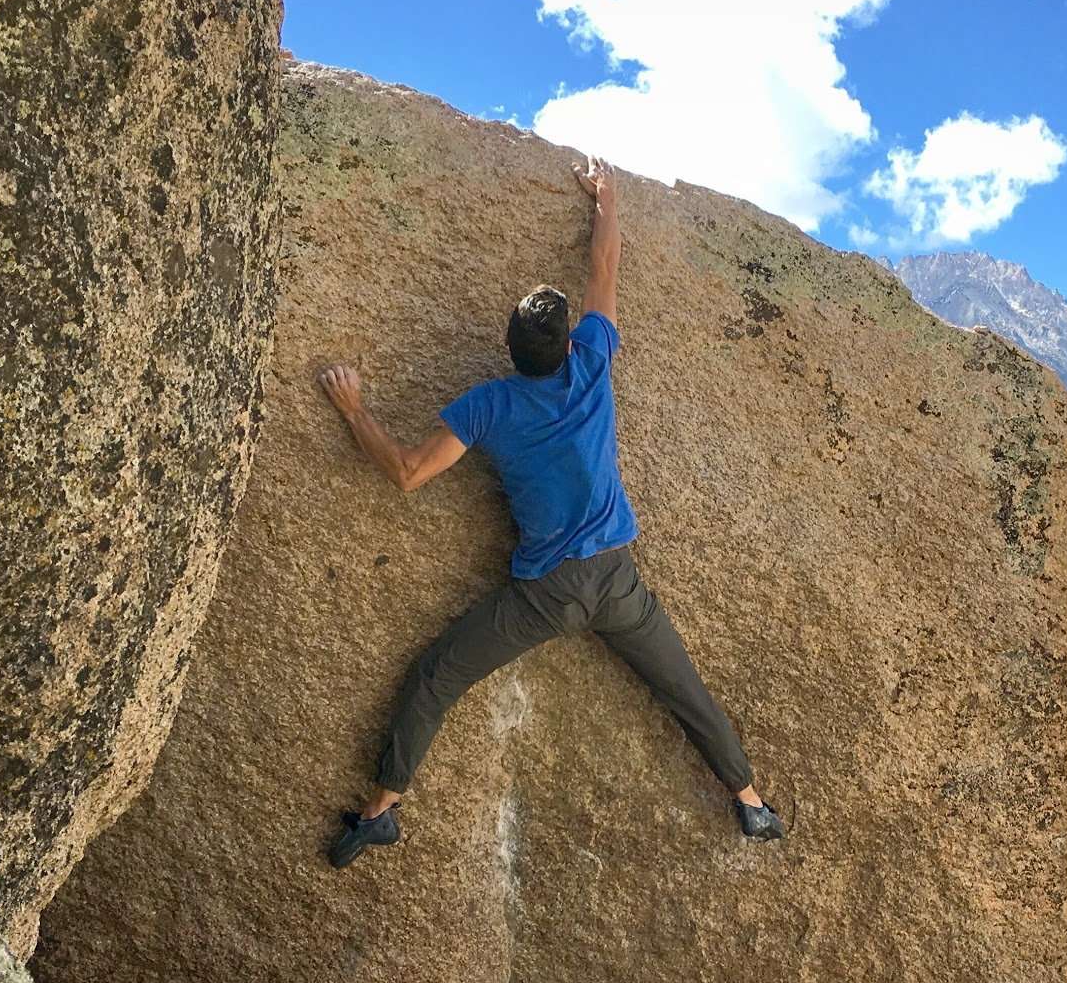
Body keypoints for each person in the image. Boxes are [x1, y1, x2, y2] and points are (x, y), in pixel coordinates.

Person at [317, 155, 783, 867]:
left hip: (548, 594)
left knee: (438, 675)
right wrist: (606, 198)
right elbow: (605, 267)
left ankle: (381, 811)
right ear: (567, 344)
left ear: (507, 351)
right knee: (684, 690)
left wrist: (355, 413)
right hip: (618, 582)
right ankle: (750, 804)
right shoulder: (592, 360)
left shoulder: (489, 405)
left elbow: (408, 473)